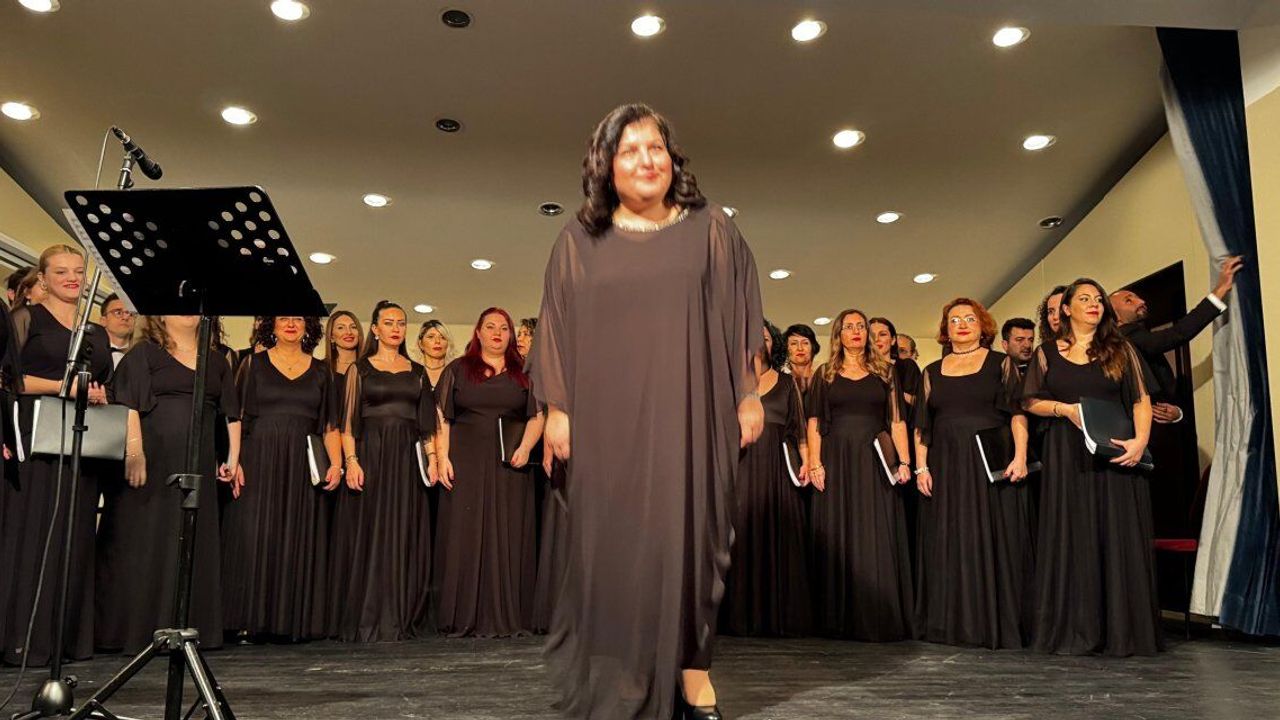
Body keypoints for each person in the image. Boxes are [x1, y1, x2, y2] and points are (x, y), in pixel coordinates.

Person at [529, 103, 763, 720]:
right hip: (606, 419)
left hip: (691, 409)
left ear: (672, 157)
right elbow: (556, 325)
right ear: (605, 165)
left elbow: (741, 311)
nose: (646, 160)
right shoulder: (578, 239)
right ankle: (627, 674)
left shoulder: (711, 227)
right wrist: (558, 409)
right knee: (619, 544)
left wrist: (747, 392)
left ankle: (693, 672)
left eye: (655, 147)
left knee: (694, 538)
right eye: (629, 150)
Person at [1021, 278, 1160, 656]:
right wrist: (1065, 410)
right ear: (1066, 309)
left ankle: (1122, 630)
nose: (1094, 304)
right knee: (1073, 533)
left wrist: (1141, 441)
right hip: (1066, 453)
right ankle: (1074, 628)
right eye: (1084, 298)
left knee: (1116, 534)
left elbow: (1141, 399)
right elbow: (1029, 401)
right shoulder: (1046, 352)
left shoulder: (1121, 348)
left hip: (1116, 450)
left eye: (1098, 299)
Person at [97, 315, 241, 653]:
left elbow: (231, 413)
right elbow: (128, 403)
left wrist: (232, 458)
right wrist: (135, 451)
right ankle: (137, 629)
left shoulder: (216, 361)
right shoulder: (145, 353)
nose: (188, 311)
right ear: (161, 315)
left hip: (198, 461)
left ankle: (189, 627)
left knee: (191, 538)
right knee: (148, 538)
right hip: (154, 459)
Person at [0, 245, 112, 666]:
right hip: (34, 436)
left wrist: (98, 393)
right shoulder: (26, 318)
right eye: (61, 271)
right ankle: (22, 640)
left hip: (80, 441)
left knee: (73, 535)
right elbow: (9, 379)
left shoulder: (96, 332)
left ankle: (64, 640)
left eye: (78, 271)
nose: (72, 278)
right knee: (30, 534)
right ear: (43, 278)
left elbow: (104, 382)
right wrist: (63, 387)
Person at [913, 298, 1034, 649]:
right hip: (947, 465)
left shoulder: (1001, 363)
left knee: (995, 539)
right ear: (945, 329)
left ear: (983, 326)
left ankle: (995, 622)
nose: (962, 325)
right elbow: (923, 426)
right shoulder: (931, 371)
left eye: (969, 318)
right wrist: (922, 466)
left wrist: (1021, 456)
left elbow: (1018, 414)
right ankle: (953, 623)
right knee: (951, 539)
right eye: (954, 320)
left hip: (990, 464)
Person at [221, 316, 341, 642]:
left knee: (296, 535)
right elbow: (236, 417)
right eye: (283, 318)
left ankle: (290, 624)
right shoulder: (252, 365)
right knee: (255, 535)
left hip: (302, 464)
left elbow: (329, 425)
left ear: (308, 327)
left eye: (297, 318)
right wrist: (234, 460)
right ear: (271, 326)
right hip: (258, 458)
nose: (290, 324)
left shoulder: (322, 371)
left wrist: (337, 464)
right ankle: (247, 622)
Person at [331, 301, 438, 642]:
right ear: (375, 329)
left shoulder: (418, 371)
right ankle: (369, 613)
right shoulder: (359, 370)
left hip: (407, 458)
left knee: (404, 530)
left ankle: (400, 613)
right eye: (388, 322)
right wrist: (351, 461)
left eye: (401, 323)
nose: (395, 328)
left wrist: (433, 460)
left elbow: (427, 425)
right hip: (371, 456)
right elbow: (348, 423)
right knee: (371, 530)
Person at [433, 308, 544, 636]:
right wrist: (442, 457)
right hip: (465, 463)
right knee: (465, 534)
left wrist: (526, 447)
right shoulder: (457, 369)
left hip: (511, 465)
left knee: (509, 534)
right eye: (490, 327)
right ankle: (463, 615)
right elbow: (441, 415)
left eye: (504, 328)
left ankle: (509, 614)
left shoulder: (524, 372)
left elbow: (537, 416)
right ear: (478, 332)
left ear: (511, 335)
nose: (497, 333)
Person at [805, 309, 913, 641]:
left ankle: (877, 616)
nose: (856, 331)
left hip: (874, 460)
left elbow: (896, 420)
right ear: (838, 334)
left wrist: (905, 462)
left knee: (875, 529)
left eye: (861, 327)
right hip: (836, 459)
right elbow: (814, 422)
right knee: (839, 530)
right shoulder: (825, 374)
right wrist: (815, 463)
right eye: (848, 327)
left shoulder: (885, 372)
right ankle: (835, 620)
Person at [720, 320, 811, 637]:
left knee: (776, 535)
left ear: (775, 345)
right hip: (738, 468)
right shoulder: (729, 382)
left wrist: (807, 460)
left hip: (776, 470)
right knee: (738, 533)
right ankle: (734, 616)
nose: (760, 343)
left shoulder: (787, 383)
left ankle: (776, 616)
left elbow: (799, 429)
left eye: (766, 338)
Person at [1109, 255, 1242, 424]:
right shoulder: (1127, 336)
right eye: (1129, 300)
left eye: (1137, 297)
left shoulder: (1137, 337)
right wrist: (1220, 290)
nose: (1141, 301)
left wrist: (1177, 413)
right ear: (1115, 317)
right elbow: (1177, 334)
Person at [99, 292, 136, 369]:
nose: (125, 317)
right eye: (118, 313)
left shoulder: (142, 357)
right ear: (103, 320)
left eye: (130, 314)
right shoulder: (90, 350)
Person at [783, 324, 820, 395]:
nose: (800, 348)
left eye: (805, 343)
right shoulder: (780, 382)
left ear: (813, 347)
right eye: (794, 344)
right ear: (786, 349)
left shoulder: (825, 378)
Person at [416, 319, 451, 389]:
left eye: (443, 337)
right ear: (420, 344)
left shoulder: (456, 373)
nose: (437, 341)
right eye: (431, 337)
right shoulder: (413, 372)